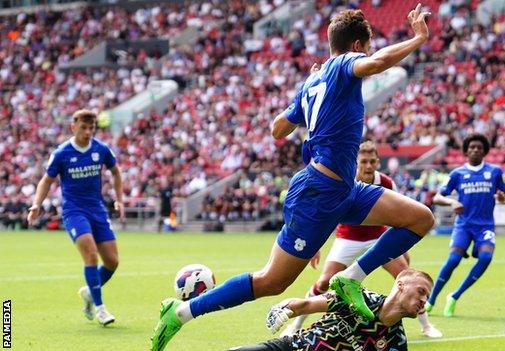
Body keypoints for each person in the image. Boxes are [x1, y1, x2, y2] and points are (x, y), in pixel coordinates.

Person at [151, 5, 434, 350]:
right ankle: (180, 313)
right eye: (365, 48)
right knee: (272, 281)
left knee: (420, 218)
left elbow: (277, 129)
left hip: (343, 189)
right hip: (320, 191)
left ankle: (350, 279)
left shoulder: (315, 80)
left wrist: (305, 95)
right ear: (358, 45)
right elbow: (375, 64)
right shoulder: (344, 65)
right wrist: (418, 37)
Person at [281, 141, 442, 338]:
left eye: (372, 161)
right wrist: (315, 245)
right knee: (324, 282)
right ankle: (295, 325)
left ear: (377, 163)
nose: (368, 166)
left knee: (406, 277)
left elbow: (401, 214)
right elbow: (326, 215)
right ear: (356, 162)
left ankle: (426, 326)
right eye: (364, 161)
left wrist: (402, 246)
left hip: (378, 238)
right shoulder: (344, 181)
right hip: (347, 238)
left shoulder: (387, 182)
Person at [27, 109, 125, 326]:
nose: (88, 132)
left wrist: (119, 199)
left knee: (112, 262)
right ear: (73, 127)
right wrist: (36, 204)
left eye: (91, 128)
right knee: (91, 255)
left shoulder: (101, 149)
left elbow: (116, 172)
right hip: (74, 211)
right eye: (83, 127)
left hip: (97, 210)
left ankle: (89, 292)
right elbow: (46, 180)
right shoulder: (62, 153)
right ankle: (100, 309)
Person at [229, 269, 433, 351]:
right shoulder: (358, 297)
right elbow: (306, 305)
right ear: (400, 285)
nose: (424, 300)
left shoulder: (396, 343)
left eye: (427, 297)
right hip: (293, 347)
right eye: (421, 291)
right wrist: (284, 309)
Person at [424, 133, 505, 317]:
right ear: (466, 151)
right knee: (453, 260)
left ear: (485, 151)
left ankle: (454, 296)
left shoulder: (495, 172)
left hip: (485, 226)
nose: (475, 150)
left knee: (486, 258)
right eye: (472, 147)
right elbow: (438, 197)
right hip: (463, 225)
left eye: (479, 147)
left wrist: (504, 198)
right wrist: (452, 203)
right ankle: (431, 300)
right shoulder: (457, 174)